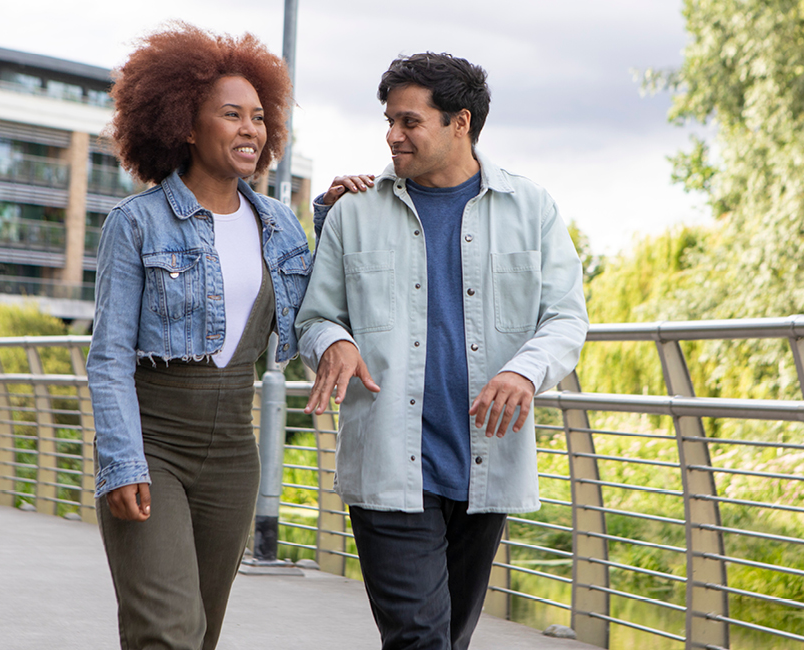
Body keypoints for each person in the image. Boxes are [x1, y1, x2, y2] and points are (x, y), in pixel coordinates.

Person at [295, 52, 589, 650]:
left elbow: (565, 318)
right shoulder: (355, 212)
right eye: (389, 120)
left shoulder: (531, 209)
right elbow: (315, 317)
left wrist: (525, 373)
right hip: (389, 461)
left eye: (409, 121)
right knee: (420, 640)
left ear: (461, 122)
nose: (391, 135)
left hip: (485, 461)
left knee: (447, 638)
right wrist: (337, 341)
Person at [85, 23, 312, 650]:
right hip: (153, 445)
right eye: (231, 115)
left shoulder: (281, 226)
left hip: (235, 457)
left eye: (259, 117)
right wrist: (122, 460)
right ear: (185, 124)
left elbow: (314, 313)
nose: (250, 130)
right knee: (168, 632)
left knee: (202, 634)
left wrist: (337, 213)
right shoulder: (136, 223)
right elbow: (107, 358)